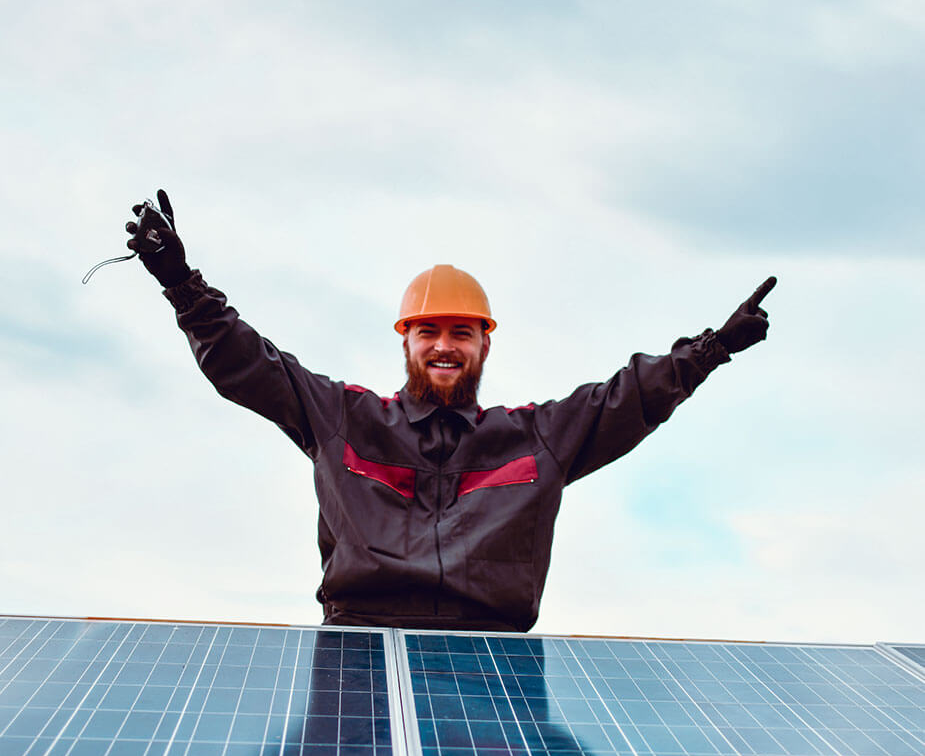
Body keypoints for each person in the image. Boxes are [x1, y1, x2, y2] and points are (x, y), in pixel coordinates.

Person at [126, 190, 776, 633]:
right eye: (428, 330)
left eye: (461, 332)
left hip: (493, 659)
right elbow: (249, 364)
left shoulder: (534, 437)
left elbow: (626, 397)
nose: (444, 345)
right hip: (359, 651)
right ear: (405, 339)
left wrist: (712, 348)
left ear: (484, 342)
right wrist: (181, 283)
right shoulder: (342, 417)